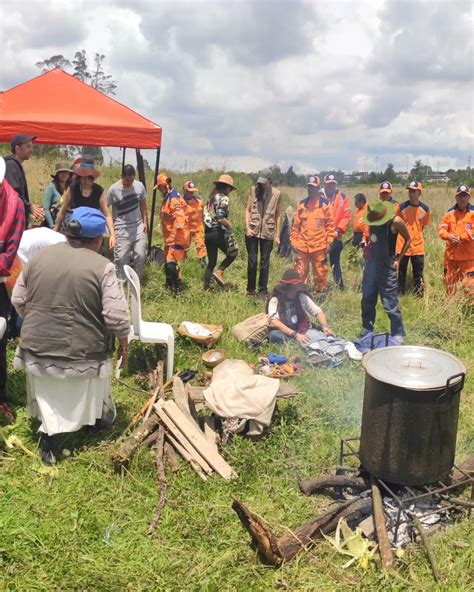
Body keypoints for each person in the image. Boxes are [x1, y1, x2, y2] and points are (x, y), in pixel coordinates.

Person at [11, 207, 130, 464]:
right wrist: (124, 342)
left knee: (51, 394)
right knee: (86, 383)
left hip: (37, 352)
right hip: (82, 356)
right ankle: (92, 421)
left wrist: (37, 320)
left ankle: (50, 434)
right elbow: (116, 317)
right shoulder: (103, 267)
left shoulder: (39, 258)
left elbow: (18, 299)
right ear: (98, 239)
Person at [360, 200, 411, 343]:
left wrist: (398, 260)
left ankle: (397, 332)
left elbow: (408, 239)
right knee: (367, 299)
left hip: (387, 265)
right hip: (371, 265)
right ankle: (367, 328)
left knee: (390, 303)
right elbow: (373, 239)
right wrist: (367, 247)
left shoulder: (395, 222)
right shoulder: (371, 220)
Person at [0, 157, 26, 423]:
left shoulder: (14, 205)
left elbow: (8, 255)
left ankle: (1, 397)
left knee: (0, 338)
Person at [53, 157, 115, 249]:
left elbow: (107, 215)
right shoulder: (72, 188)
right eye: (83, 177)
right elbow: (62, 211)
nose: (85, 181)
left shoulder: (99, 190)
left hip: (93, 236)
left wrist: (112, 235)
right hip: (75, 232)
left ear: (92, 177)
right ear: (79, 177)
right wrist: (55, 230)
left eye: (88, 178)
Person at [267, 268, 335, 345]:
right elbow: (273, 322)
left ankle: (307, 341)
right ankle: (301, 342)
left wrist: (325, 326)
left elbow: (318, 312)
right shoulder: (275, 299)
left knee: (321, 337)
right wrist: (295, 335)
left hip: (303, 329)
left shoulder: (300, 295)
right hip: (287, 332)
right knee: (273, 335)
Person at [291, 175, 335, 292]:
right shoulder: (302, 204)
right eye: (309, 187)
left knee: (320, 274)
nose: (311, 189)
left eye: (313, 187)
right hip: (303, 246)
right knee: (300, 272)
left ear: (318, 188)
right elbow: (296, 226)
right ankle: (300, 295)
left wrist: (329, 242)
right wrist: (294, 242)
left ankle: (319, 295)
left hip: (319, 246)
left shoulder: (325, 204)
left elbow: (330, 225)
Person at [107, 164, 148, 281]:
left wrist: (145, 222)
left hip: (137, 226)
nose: (129, 182)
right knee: (121, 258)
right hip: (121, 228)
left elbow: (143, 205)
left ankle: (137, 282)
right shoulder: (113, 190)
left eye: (131, 180)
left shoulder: (139, 186)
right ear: (122, 177)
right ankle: (121, 284)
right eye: (126, 180)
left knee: (140, 255)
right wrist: (112, 233)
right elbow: (105, 209)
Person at [245, 168, 281, 296]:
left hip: (267, 232)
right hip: (253, 231)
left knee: (264, 263)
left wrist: (277, 235)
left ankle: (262, 291)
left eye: (265, 182)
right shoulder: (253, 190)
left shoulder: (277, 194)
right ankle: (250, 290)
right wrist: (248, 227)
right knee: (252, 262)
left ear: (270, 181)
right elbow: (248, 210)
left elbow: (278, 215)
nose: (262, 184)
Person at [155, 174, 189, 293]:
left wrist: (173, 237)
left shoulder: (173, 198)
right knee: (167, 263)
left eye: (160, 188)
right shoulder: (168, 196)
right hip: (170, 238)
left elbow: (179, 220)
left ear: (165, 185)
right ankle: (170, 285)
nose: (159, 190)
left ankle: (180, 289)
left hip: (177, 238)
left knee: (170, 264)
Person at [203, 174, 238, 289]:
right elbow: (221, 217)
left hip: (207, 233)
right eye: (230, 189)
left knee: (211, 262)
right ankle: (220, 271)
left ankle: (206, 288)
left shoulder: (211, 198)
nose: (230, 191)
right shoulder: (223, 198)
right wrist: (229, 225)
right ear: (226, 187)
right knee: (233, 253)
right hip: (217, 232)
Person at [438, 185, 474, 295]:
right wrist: (448, 236)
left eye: (465, 196)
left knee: (469, 287)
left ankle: (469, 310)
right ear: (456, 197)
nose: (463, 199)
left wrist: (461, 237)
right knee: (450, 285)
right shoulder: (449, 213)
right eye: (460, 196)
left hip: (467, 258)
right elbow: (441, 230)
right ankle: (450, 308)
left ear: (469, 197)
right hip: (451, 258)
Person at [397, 180, 430, 296]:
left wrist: (415, 235)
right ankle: (400, 295)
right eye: (410, 191)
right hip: (402, 245)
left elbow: (423, 226)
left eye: (414, 191)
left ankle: (419, 296)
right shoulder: (401, 207)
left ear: (419, 193)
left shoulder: (425, 209)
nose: (411, 193)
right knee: (401, 273)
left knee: (418, 274)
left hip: (417, 246)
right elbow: (397, 225)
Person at [3, 133, 44, 226]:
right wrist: (29, 207)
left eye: (31, 147)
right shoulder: (11, 165)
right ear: (17, 149)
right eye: (28, 147)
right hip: (11, 222)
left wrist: (28, 210)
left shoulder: (15, 165)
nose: (31, 150)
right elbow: (13, 193)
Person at [323, 174, 351, 289]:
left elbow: (346, 216)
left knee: (335, 263)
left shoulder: (343, 197)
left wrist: (338, 230)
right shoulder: (319, 196)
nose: (331, 186)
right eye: (329, 184)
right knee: (320, 264)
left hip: (336, 237)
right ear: (324, 184)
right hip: (321, 237)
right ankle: (321, 287)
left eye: (333, 184)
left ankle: (339, 287)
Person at [182, 180, 207, 268]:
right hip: (186, 227)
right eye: (189, 191)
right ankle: (183, 260)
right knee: (184, 245)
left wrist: (204, 224)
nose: (191, 193)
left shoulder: (199, 201)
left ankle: (202, 262)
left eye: (192, 191)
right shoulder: (180, 202)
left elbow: (203, 214)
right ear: (185, 191)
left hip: (198, 226)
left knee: (201, 244)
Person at [43, 162, 72, 228]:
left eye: (66, 172)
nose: (64, 175)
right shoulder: (51, 187)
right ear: (57, 174)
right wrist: (52, 225)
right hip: (54, 222)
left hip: (67, 223)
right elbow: (46, 208)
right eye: (61, 172)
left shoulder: (70, 188)